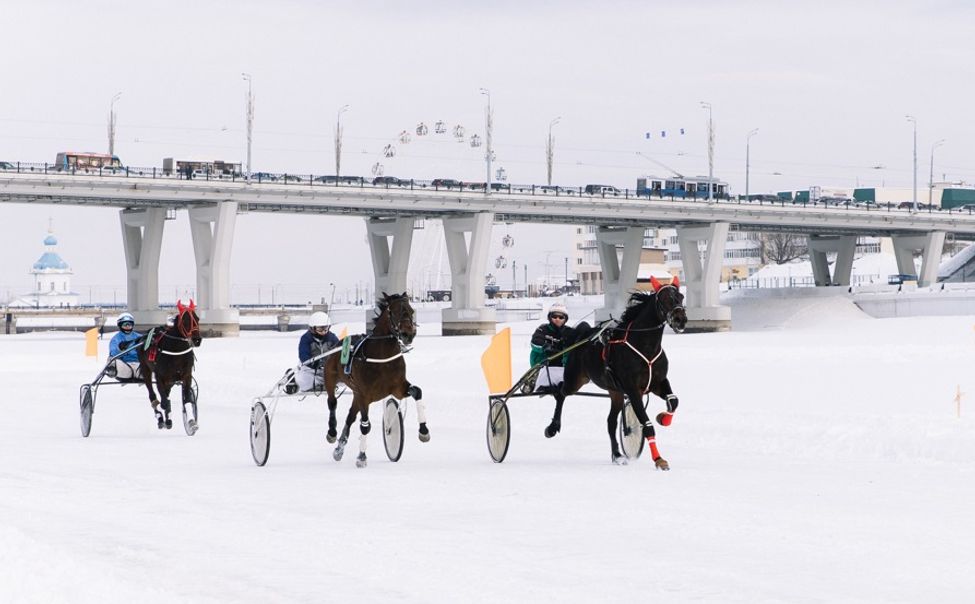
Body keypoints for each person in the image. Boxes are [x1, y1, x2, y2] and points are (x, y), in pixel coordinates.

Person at [530, 303, 574, 391]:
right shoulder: (542, 329)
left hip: (562, 365)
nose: (557, 319)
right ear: (550, 318)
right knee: (538, 353)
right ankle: (537, 378)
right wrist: (545, 347)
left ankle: (564, 381)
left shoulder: (569, 332)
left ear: (565, 319)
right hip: (544, 362)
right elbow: (534, 342)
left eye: (561, 317)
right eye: (554, 317)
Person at [295, 311, 340, 392]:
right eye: (320, 329)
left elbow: (339, 351)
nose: (323, 332)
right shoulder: (306, 338)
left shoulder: (332, 337)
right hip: (310, 368)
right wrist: (313, 363)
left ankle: (325, 384)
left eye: (325, 328)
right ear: (312, 328)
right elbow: (303, 355)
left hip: (328, 368)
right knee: (306, 381)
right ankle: (294, 378)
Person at [106, 312, 143, 380]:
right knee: (110, 359)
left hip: (140, 367)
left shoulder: (140, 337)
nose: (127, 327)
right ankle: (111, 371)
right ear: (120, 325)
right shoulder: (116, 339)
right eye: (125, 325)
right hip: (125, 367)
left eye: (129, 324)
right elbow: (113, 354)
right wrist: (119, 349)